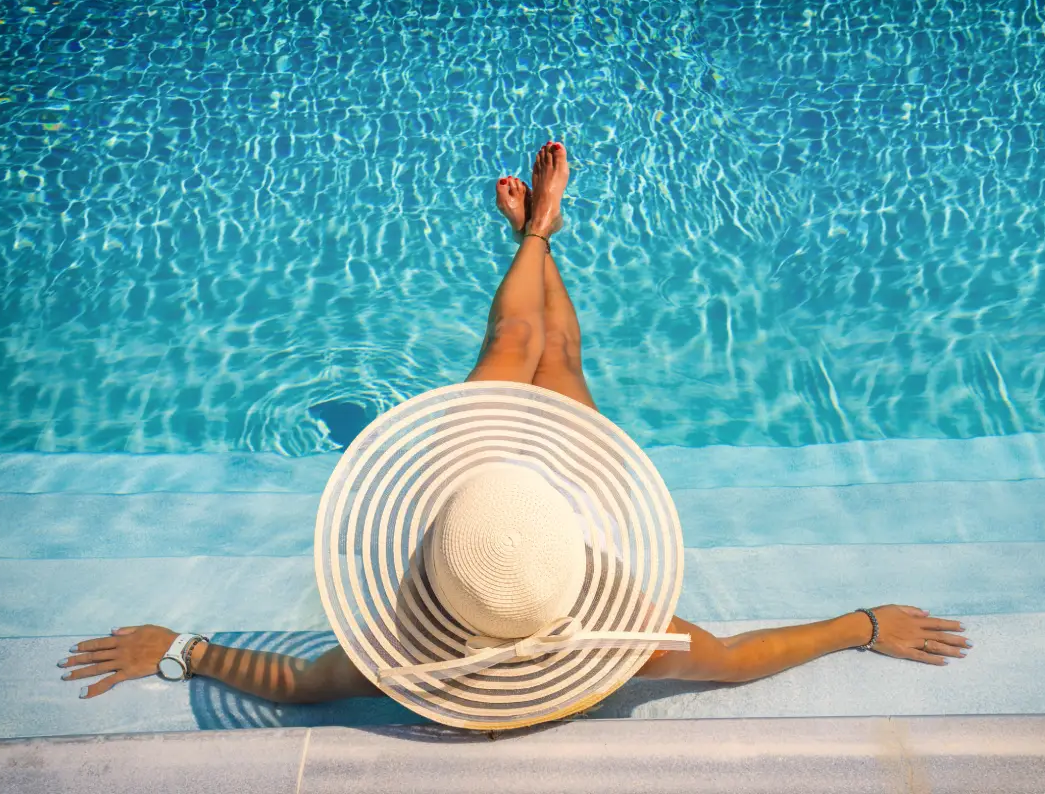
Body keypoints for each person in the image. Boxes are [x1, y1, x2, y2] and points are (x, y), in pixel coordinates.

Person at [60, 141, 970, 718]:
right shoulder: (617, 629)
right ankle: (543, 234)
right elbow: (731, 661)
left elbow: (298, 687)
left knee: (518, 340)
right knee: (559, 359)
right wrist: (862, 623)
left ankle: (535, 238)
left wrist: (180, 649)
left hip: (484, 496)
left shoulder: (405, 652)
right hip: (534, 525)